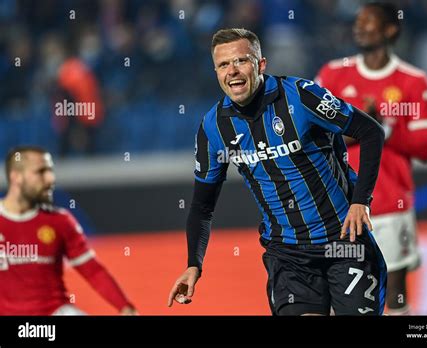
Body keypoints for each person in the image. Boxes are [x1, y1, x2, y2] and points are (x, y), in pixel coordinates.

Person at [168, 28, 387, 316]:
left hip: (345, 244)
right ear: (216, 72)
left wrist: (361, 201)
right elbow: (202, 206)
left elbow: (370, 131)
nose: (232, 71)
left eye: (241, 61)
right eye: (223, 65)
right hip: (288, 255)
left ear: (260, 64)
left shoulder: (301, 96)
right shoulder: (213, 128)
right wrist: (193, 264)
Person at [315, 2, 427, 315]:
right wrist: (364, 128)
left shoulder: (413, 80)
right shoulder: (333, 74)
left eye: (368, 21)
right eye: (358, 21)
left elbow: (424, 147)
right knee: (338, 296)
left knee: (394, 295)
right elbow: (311, 138)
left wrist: (383, 128)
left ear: (390, 29)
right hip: (339, 209)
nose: (359, 27)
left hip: (390, 206)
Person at [0, 146, 136, 315]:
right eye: (41, 172)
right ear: (16, 177)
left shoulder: (59, 221)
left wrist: (125, 307)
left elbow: (93, 271)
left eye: (51, 171)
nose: (50, 179)